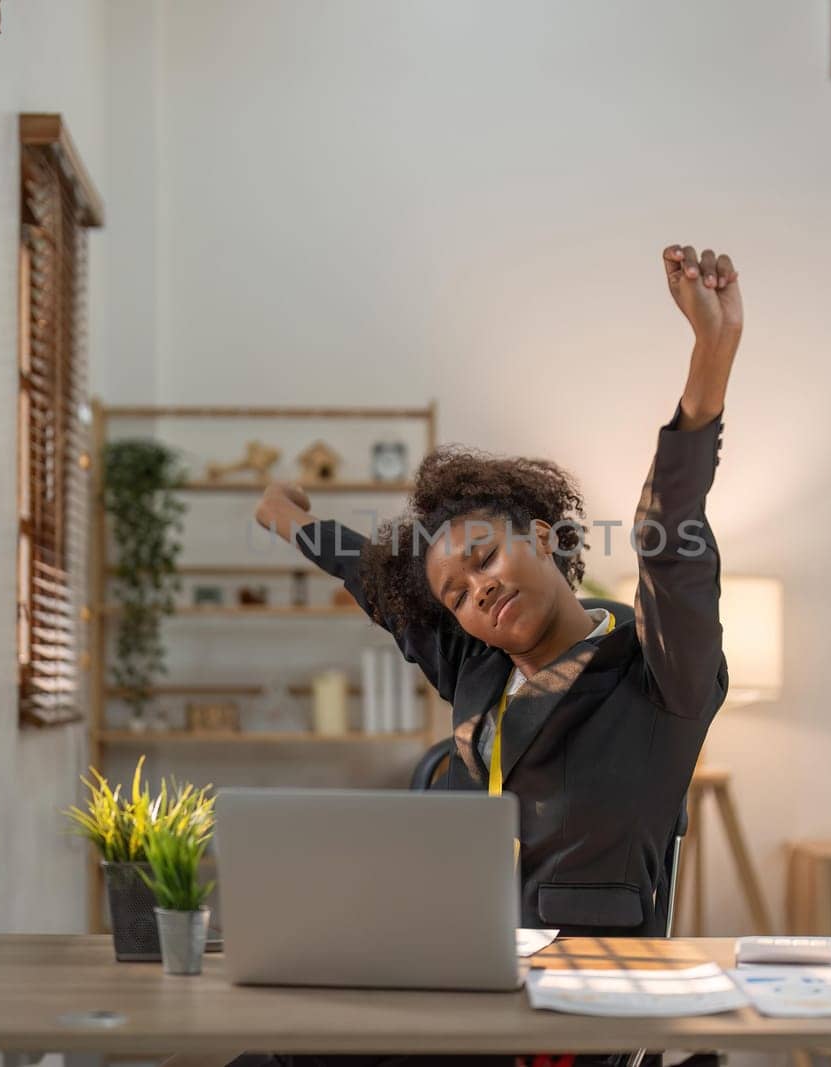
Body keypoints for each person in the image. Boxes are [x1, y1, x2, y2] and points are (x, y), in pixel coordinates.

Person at [240, 244, 741, 1067]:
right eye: (456, 596)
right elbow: (369, 577)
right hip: (460, 976)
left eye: (483, 559)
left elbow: (668, 534)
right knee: (272, 1048)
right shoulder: (475, 665)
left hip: (579, 1007)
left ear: (541, 536)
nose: (477, 593)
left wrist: (709, 357)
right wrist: (286, 517)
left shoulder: (659, 671)